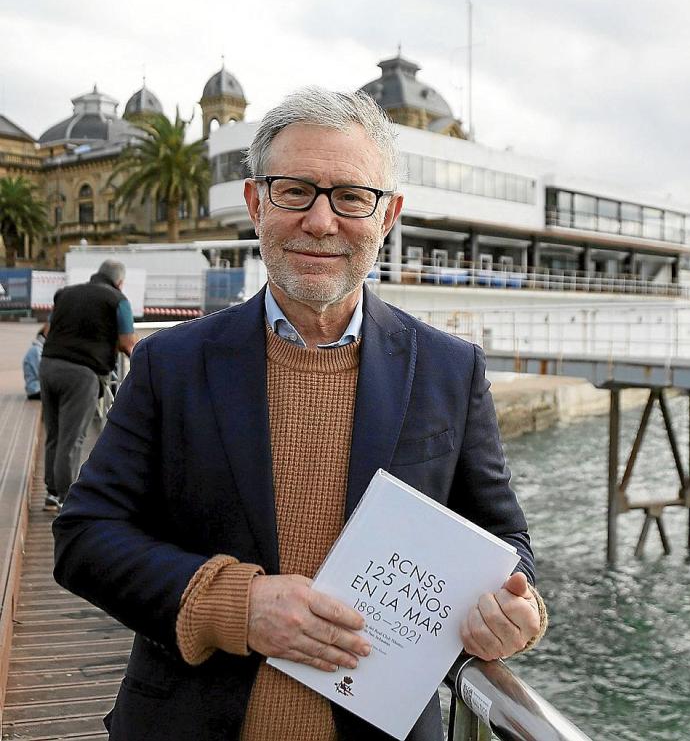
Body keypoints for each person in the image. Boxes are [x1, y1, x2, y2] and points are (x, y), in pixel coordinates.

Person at [53, 89, 547, 741]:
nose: (320, 221)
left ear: (387, 214)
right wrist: (236, 604)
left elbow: (507, 541)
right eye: (295, 191)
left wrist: (517, 606)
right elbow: (84, 534)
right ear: (257, 203)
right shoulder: (169, 363)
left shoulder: (450, 370)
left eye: (350, 195)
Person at [40, 260, 136, 511]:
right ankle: (65, 499)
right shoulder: (118, 300)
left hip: (49, 365)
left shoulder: (65, 294)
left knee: (55, 433)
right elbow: (128, 344)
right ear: (120, 281)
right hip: (82, 374)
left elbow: (48, 329)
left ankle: (51, 492)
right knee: (72, 440)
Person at [22, 323, 48, 400]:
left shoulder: (40, 349)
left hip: (38, 388)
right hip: (35, 389)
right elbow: (41, 373)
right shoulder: (36, 350)